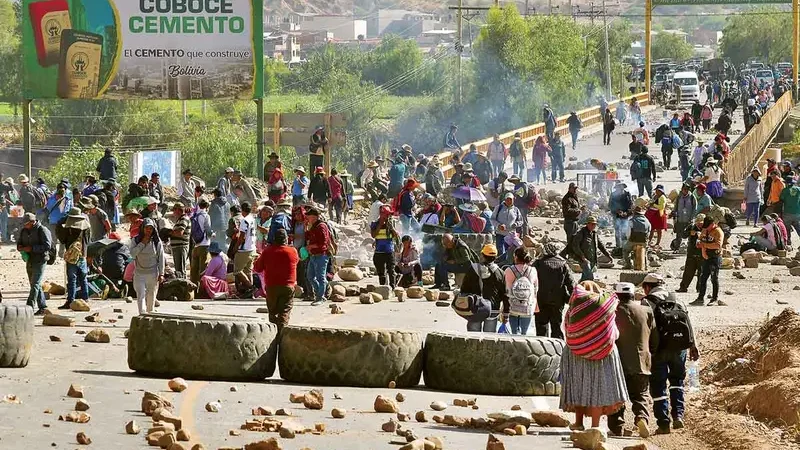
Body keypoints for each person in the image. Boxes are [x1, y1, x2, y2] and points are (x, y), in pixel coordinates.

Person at [560, 281, 628, 431]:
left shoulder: (573, 308)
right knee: (598, 389)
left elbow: (567, 328)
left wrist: (583, 342)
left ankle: (578, 423)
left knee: (579, 386)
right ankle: (595, 427)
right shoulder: (606, 307)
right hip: (604, 354)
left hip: (576, 354)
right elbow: (614, 332)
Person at [641, 273, 700, 434]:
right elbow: (687, 322)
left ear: (647, 287)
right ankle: (678, 415)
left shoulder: (647, 302)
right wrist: (692, 346)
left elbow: (644, 329)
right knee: (677, 382)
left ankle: (663, 423)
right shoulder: (677, 299)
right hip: (679, 348)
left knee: (659, 385)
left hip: (658, 350)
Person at [607, 282, 656, 438]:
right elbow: (654, 338)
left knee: (616, 396)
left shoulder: (611, 312)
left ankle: (617, 427)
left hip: (617, 362)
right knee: (641, 394)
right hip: (642, 361)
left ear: (616, 295)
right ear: (633, 294)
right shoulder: (646, 311)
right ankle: (641, 418)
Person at [254, 229, 299, 330]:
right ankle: (281, 335)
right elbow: (296, 262)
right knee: (284, 312)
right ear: (286, 239)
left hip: (271, 286)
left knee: (272, 313)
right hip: (288, 286)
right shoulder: (293, 251)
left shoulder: (267, 251)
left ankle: (273, 337)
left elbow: (257, 268)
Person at [459, 244, 509, 332]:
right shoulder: (500, 273)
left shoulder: (473, 269)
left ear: (482, 255)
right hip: (492, 309)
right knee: (489, 338)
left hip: (475, 308)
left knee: (473, 337)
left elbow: (464, 288)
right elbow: (504, 295)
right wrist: (506, 313)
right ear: (495, 257)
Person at [532, 243, 573, 339]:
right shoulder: (563, 264)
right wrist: (573, 299)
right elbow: (571, 284)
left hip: (541, 300)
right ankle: (558, 351)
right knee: (556, 327)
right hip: (558, 301)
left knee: (541, 328)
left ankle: (542, 350)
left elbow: (531, 281)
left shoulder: (537, 264)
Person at [16, 213, 51, 315]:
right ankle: (43, 307)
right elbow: (19, 242)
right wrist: (20, 247)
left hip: (40, 260)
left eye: (26, 224)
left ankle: (29, 307)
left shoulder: (42, 230)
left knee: (35, 283)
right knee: (34, 284)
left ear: (32, 222)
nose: (24, 226)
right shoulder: (24, 231)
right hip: (30, 259)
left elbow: (47, 246)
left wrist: (32, 248)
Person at [57, 208, 91, 310]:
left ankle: (70, 300)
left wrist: (63, 221)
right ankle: (85, 299)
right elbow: (88, 240)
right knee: (83, 278)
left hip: (72, 256)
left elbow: (62, 238)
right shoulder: (86, 227)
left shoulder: (68, 228)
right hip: (83, 255)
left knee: (72, 279)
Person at [131, 218, 165, 314]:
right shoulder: (136, 240)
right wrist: (142, 244)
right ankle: (142, 314)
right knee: (140, 294)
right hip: (139, 273)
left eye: (151, 228)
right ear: (142, 229)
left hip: (153, 273)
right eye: (146, 228)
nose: (148, 231)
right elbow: (133, 254)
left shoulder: (156, 242)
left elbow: (161, 258)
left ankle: (150, 314)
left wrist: (161, 274)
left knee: (151, 295)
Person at [692, 216, 724, 306]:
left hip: (715, 257)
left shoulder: (718, 232)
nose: (706, 228)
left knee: (714, 278)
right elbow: (701, 241)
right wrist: (703, 251)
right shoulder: (705, 230)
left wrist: (704, 246)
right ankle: (700, 298)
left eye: (708, 226)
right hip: (706, 256)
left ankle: (714, 298)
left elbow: (718, 245)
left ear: (713, 224)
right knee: (703, 278)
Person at [504, 247, 537, 335]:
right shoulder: (533, 270)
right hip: (527, 306)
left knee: (514, 333)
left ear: (516, 257)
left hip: (512, 306)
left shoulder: (509, 270)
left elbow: (507, 289)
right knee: (524, 333)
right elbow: (536, 289)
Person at [570, 216, 611, 282]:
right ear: (587, 224)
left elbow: (601, 246)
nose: (593, 226)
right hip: (583, 259)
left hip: (592, 259)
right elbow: (575, 246)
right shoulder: (581, 233)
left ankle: (580, 286)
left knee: (585, 276)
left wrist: (608, 255)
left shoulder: (594, 234)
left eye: (595, 224)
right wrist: (582, 256)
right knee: (589, 276)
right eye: (592, 224)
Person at [305, 208, 331, 306]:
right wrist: (306, 227)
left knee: (320, 277)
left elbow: (323, 243)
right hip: (313, 255)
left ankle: (320, 297)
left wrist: (311, 246)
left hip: (321, 255)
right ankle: (320, 293)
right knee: (310, 276)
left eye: (309, 216)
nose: (307, 217)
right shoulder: (313, 226)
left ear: (314, 217)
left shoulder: (321, 226)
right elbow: (308, 237)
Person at [231, 202, 257, 298]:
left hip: (244, 249)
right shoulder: (253, 219)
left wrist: (236, 247)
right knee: (248, 271)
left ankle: (251, 287)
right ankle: (251, 294)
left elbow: (242, 236)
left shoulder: (244, 220)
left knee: (237, 271)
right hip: (252, 247)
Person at [371, 205, 399, 289]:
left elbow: (395, 236)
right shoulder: (375, 223)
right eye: (386, 214)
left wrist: (391, 228)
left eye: (389, 215)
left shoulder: (391, 223)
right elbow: (373, 235)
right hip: (379, 251)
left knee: (391, 271)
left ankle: (393, 287)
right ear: (381, 214)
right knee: (381, 272)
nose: (387, 216)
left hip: (389, 251)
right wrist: (380, 225)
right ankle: (383, 288)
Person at [676, 214, 706, 293]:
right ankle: (683, 287)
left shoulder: (707, 228)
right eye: (698, 223)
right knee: (688, 271)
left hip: (702, 253)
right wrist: (690, 233)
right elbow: (683, 235)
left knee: (702, 272)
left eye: (701, 223)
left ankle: (700, 289)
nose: (700, 224)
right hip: (691, 253)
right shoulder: (692, 226)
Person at [190, 199, 212, 286]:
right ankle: (201, 289)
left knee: (194, 269)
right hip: (205, 244)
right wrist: (212, 234)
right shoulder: (206, 216)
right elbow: (208, 230)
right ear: (206, 207)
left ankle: (193, 288)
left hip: (195, 244)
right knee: (203, 268)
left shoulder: (194, 215)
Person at [671, 184, 696, 250]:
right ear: (682, 190)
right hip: (679, 219)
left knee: (688, 235)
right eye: (684, 189)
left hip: (688, 220)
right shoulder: (679, 197)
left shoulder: (692, 197)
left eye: (687, 190)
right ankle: (677, 248)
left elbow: (694, 209)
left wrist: (692, 218)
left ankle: (689, 248)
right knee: (678, 234)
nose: (685, 191)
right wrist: (674, 214)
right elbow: (675, 207)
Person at [608, 183, 633, 251]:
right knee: (617, 231)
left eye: (622, 187)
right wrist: (617, 211)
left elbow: (630, 205)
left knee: (624, 231)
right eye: (619, 187)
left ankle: (624, 246)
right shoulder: (613, 195)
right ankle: (618, 246)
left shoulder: (627, 194)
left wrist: (626, 212)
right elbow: (610, 205)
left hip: (625, 216)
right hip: (616, 216)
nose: (621, 189)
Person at [169, 204, 191, 279]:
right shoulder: (180, 220)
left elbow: (180, 233)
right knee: (178, 270)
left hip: (181, 247)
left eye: (174, 210)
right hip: (177, 247)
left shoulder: (184, 219)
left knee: (181, 270)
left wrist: (169, 232)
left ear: (178, 210)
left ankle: (183, 287)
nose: (173, 213)